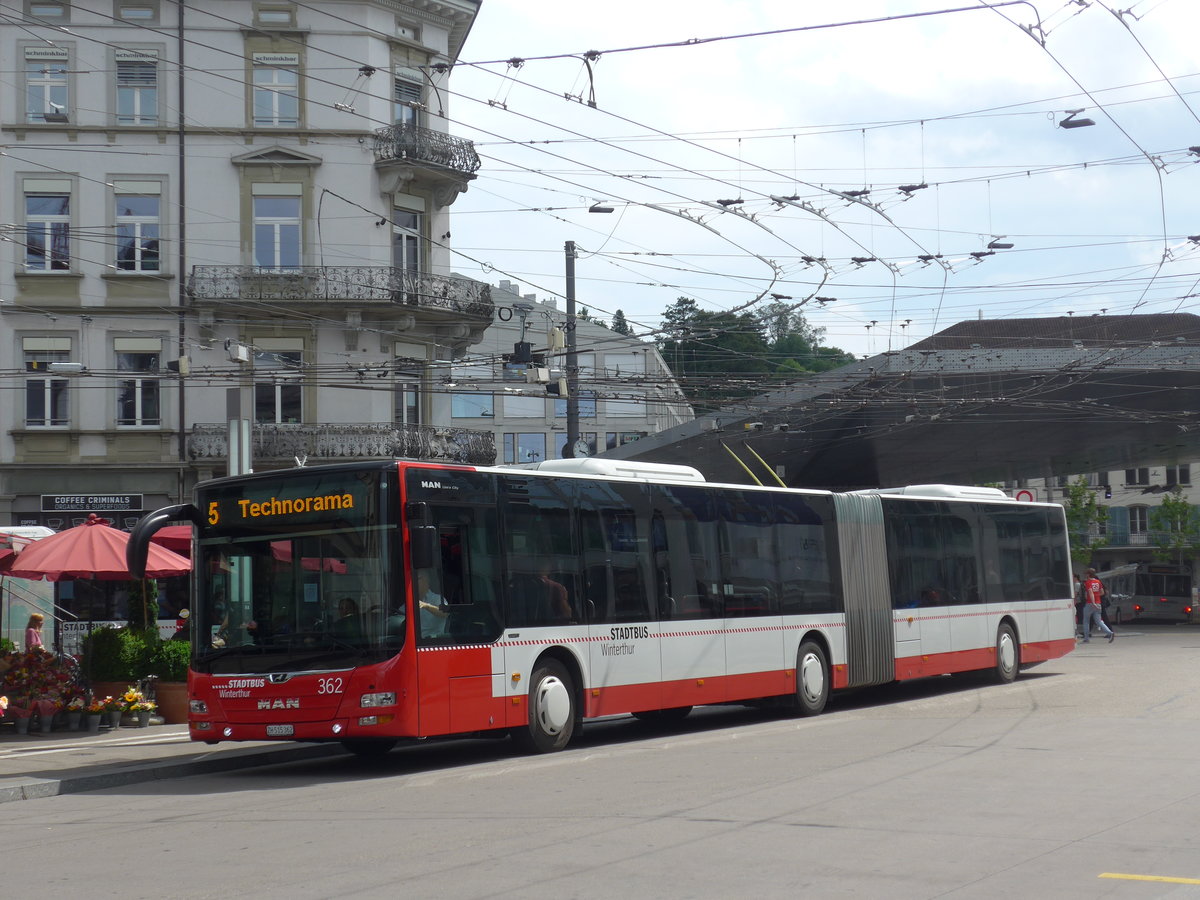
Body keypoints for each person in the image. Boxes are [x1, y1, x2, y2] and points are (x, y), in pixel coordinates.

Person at [1081, 568, 1115, 644]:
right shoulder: (1098, 581)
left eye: (1086, 573)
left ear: (1088, 574)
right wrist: (1096, 597)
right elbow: (1102, 592)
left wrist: (1092, 601)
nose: (1085, 575)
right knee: (1099, 621)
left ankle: (1086, 638)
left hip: (1090, 603)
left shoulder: (1088, 582)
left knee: (1086, 621)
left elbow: (1090, 592)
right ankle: (1110, 633)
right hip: (1098, 603)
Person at [416, 570, 448, 636]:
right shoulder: (407, 605)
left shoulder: (438, 599)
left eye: (418, 578)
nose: (414, 581)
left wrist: (427, 606)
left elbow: (445, 613)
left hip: (434, 641)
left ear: (426, 581)